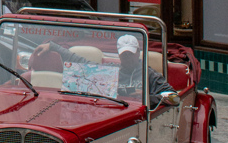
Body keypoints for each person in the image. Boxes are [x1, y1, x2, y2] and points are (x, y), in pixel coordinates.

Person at [34, 34, 173, 100]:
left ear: (138, 53)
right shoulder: (110, 71)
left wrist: (145, 97)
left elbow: (172, 96)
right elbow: (81, 63)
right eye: (124, 55)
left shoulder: (149, 74)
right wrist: (53, 46)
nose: (128, 58)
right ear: (119, 55)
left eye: (131, 54)